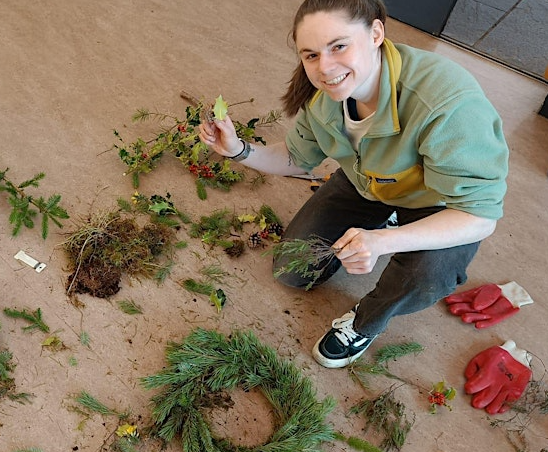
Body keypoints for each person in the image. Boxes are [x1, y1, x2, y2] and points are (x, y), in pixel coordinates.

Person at [200, 0, 508, 368]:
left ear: (376, 33)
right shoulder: (322, 98)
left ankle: (367, 320)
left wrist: (382, 241)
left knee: (428, 275)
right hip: (368, 181)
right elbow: (297, 158)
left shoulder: (446, 103)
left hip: (442, 203)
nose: (325, 68)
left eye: (339, 46)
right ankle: (386, 216)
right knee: (293, 270)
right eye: (310, 55)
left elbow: (480, 216)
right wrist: (238, 150)